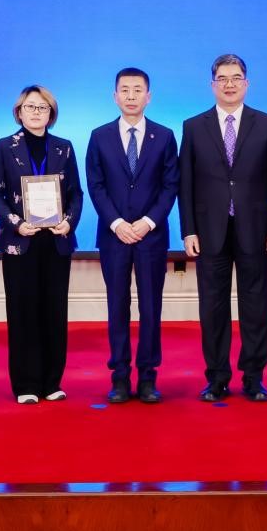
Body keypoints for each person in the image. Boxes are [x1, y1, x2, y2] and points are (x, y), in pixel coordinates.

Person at [179, 54, 267, 403]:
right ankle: (217, 378)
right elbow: (185, 184)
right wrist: (188, 230)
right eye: (222, 78)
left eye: (236, 77)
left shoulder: (266, 124)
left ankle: (254, 378)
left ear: (247, 83)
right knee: (212, 307)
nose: (229, 84)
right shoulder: (193, 127)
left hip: (255, 229)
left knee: (256, 305)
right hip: (208, 230)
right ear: (212, 84)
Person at [85, 67, 179, 405]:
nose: (131, 96)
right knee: (117, 305)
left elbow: (170, 185)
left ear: (148, 96)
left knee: (151, 307)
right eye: (124, 90)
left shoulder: (164, 136)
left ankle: (149, 376)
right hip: (114, 236)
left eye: (137, 90)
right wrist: (116, 223)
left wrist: (148, 222)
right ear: (115, 96)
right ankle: (120, 376)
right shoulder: (99, 136)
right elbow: (95, 185)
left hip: (151, 236)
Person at [0, 85, 83, 404]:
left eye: (43, 107)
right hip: (20, 242)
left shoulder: (63, 147)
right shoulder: (4, 147)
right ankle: (26, 384)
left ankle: (52, 381)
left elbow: (76, 193)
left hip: (56, 241)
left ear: (51, 113)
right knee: (22, 311)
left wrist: (69, 221)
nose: (36, 112)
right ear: (19, 111)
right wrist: (16, 223)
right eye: (30, 107)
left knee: (54, 311)